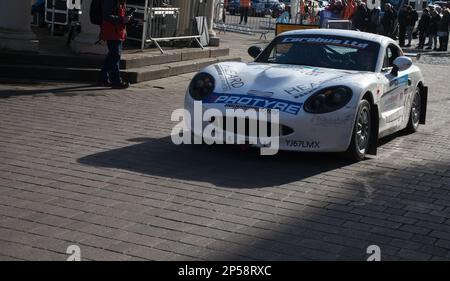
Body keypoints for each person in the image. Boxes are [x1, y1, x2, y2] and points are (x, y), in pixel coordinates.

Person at [100, 0, 130, 89]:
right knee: (115, 56)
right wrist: (122, 19)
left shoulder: (121, 2)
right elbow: (106, 16)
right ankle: (116, 81)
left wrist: (126, 20)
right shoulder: (110, 1)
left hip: (118, 32)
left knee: (112, 56)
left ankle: (103, 78)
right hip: (112, 32)